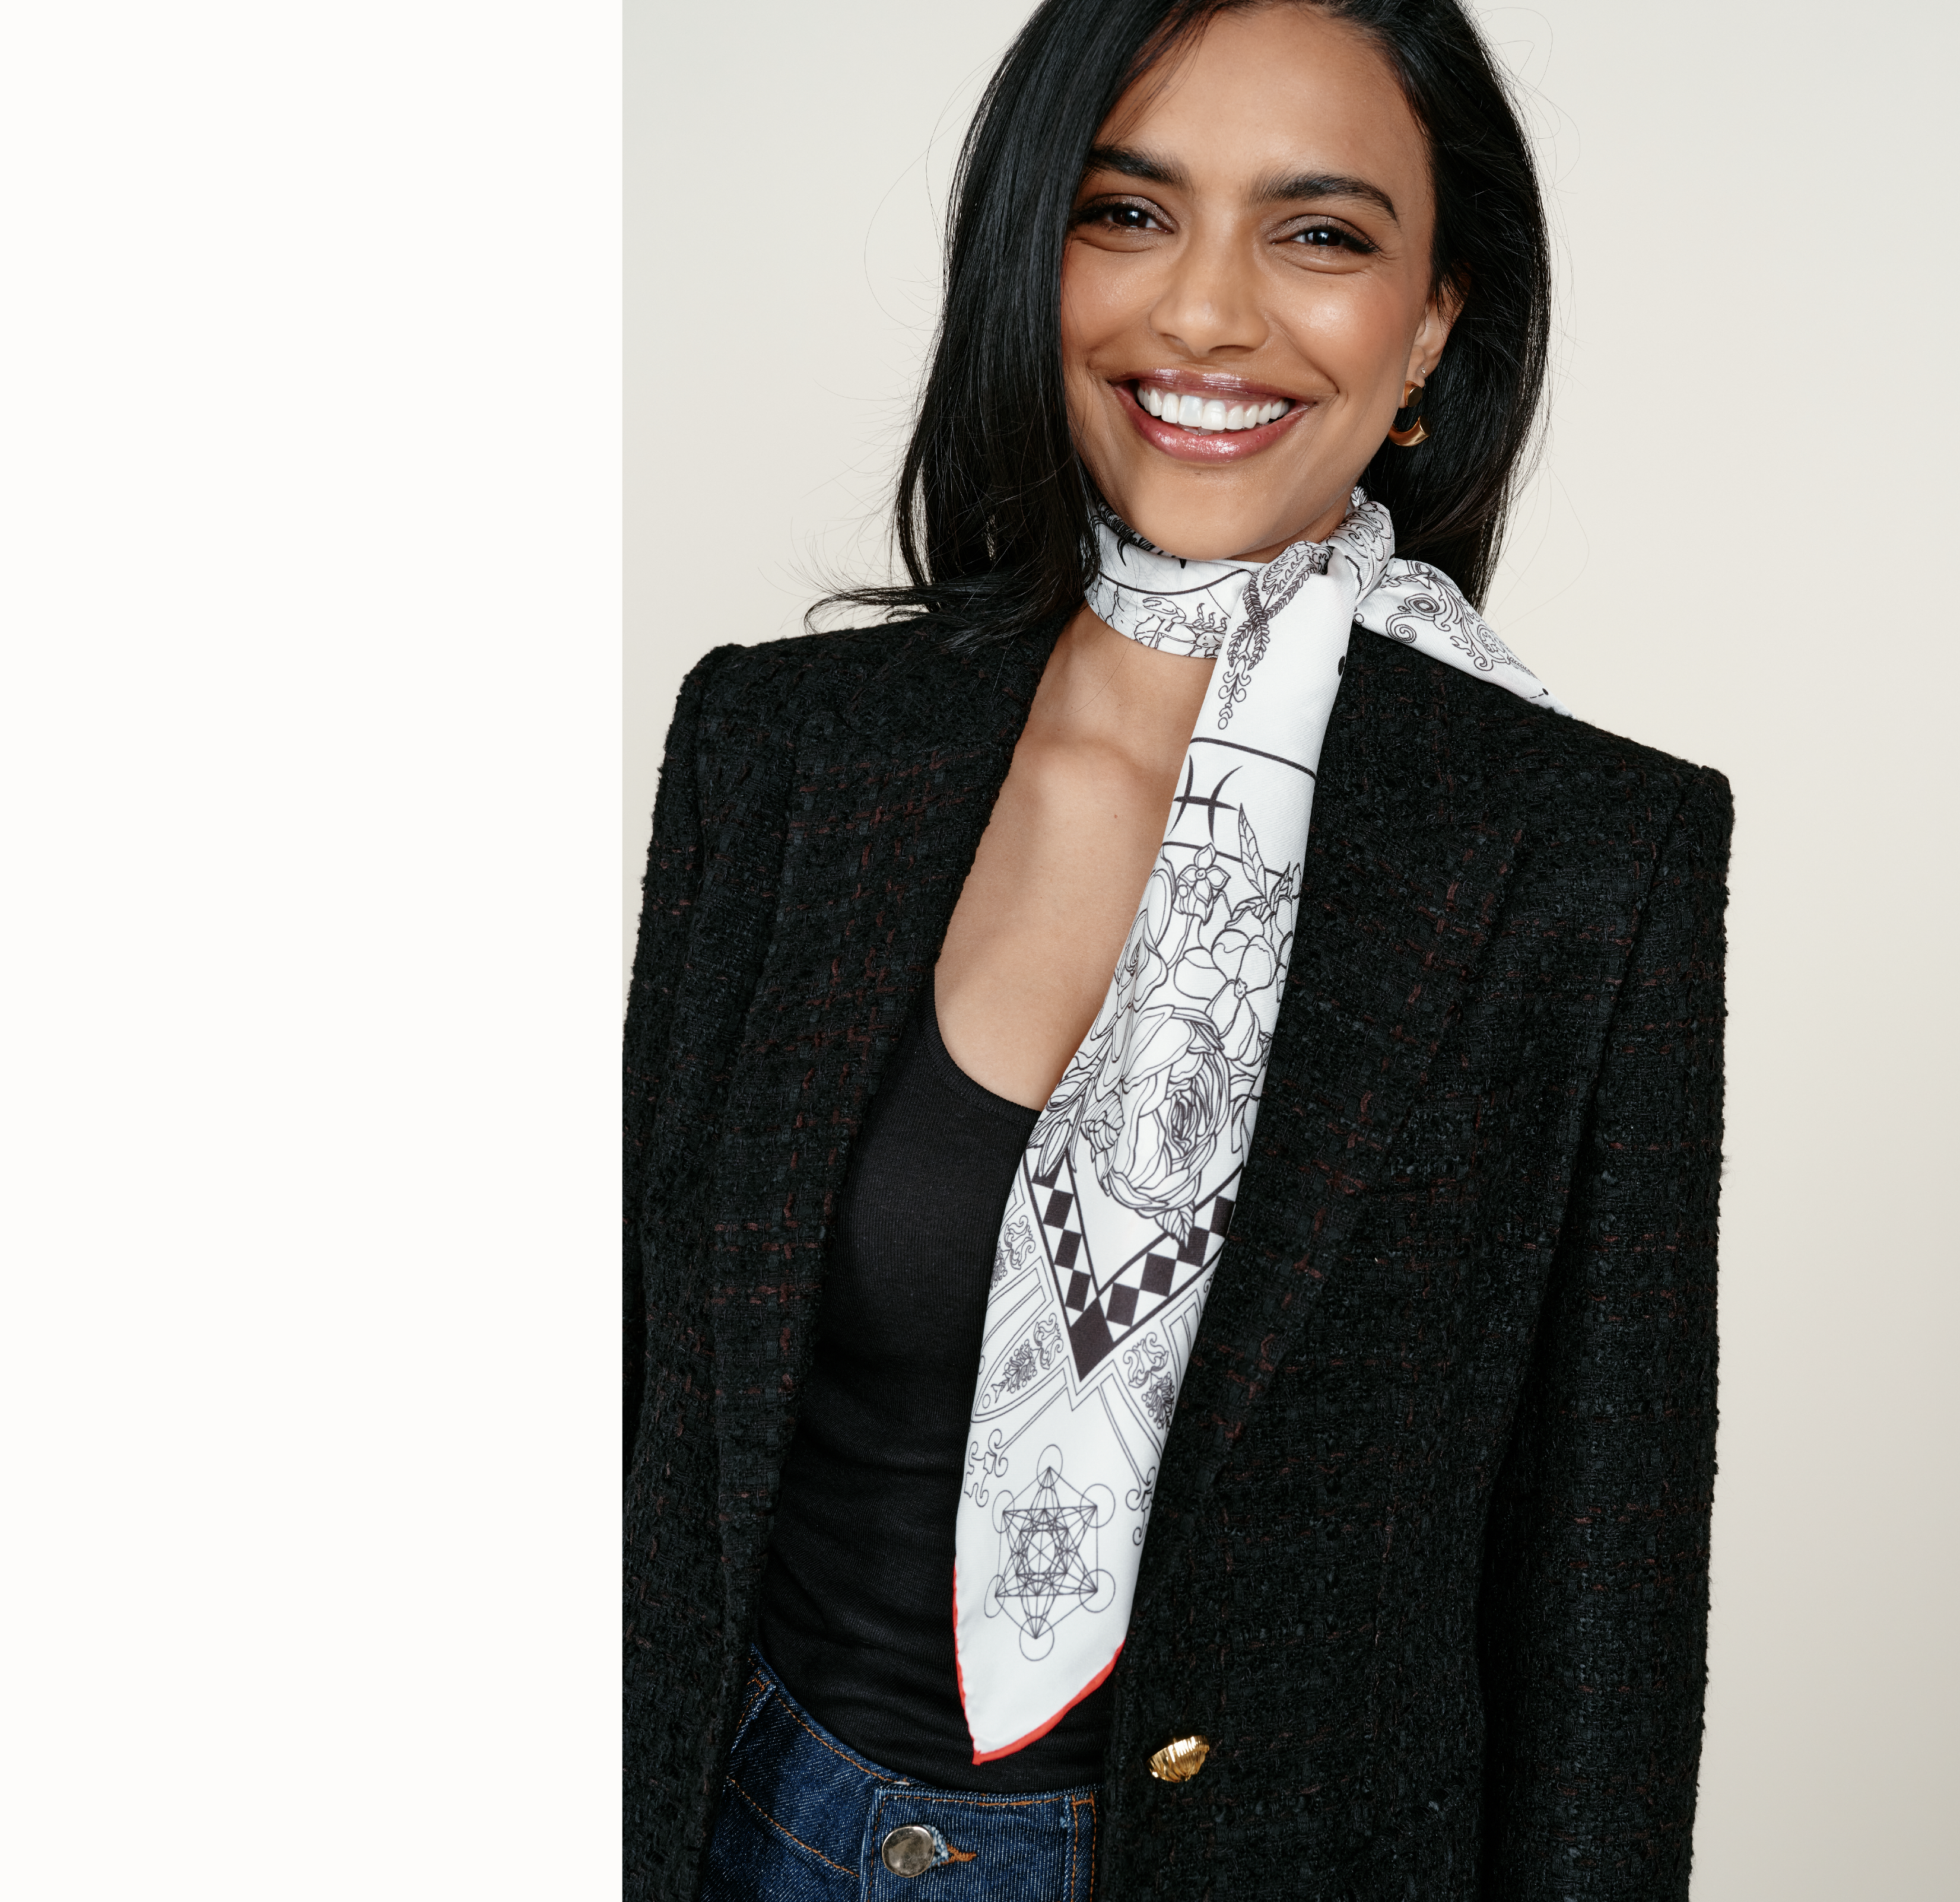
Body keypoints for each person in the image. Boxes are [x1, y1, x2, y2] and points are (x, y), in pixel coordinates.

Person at [623, 2, 1730, 1895]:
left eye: (1319, 234)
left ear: (1435, 320)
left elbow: (1600, 1612)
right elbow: (633, 1415)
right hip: (750, 1832)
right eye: (1130, 215)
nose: (1207, 316)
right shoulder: (783, 754)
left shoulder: (1581, 862)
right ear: (1031, 253)